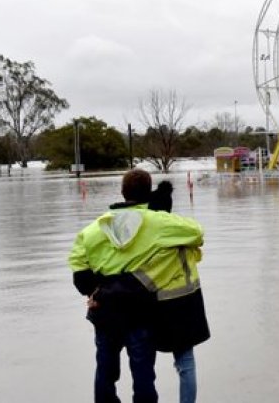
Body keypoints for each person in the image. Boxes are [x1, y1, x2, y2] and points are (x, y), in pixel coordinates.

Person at [69, 169, 204, 403]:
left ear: (122, 192)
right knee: (143, 374)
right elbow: (196, 234)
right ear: (149, 192)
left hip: (105, 309)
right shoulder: (159, 222)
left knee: (105, 372)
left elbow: (78, 269)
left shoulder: (93, 229)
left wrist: (95, 292)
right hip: (140, 309)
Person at [146, 180, 211, 403]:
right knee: (186, 361)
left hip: (157, 302)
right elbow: (198, 248)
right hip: (188, 301)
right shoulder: (185, 232)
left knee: (145, 359)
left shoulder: (148, 235)